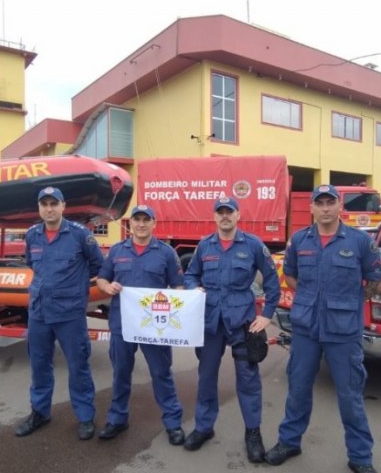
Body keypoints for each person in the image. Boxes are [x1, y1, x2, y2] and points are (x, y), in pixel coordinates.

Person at [264, 185, 381, 473]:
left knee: (350, 395)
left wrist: (352, 301)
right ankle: (290, 441)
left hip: (343, 331)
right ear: (313, 208)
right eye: (321, 203)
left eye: (331, 203)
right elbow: (290, 275)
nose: (326, 208)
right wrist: (308, 297)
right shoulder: (299, 240)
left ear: (339, 207)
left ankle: (360, 457)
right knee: (298, 389)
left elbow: (375, 280)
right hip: (306, 329)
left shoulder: (359, 242)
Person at [183, 196, 280, 463]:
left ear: (238, 215)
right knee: (206, 376)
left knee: (248, 380)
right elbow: (190, 274)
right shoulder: (205, 246)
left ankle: (252, 433)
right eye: (220, 212)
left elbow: (272, 282)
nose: (225, 216)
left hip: (242, 322)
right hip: (211, 322)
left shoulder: (253, 245)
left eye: (230, 212)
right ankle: (203, 427)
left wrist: (267, 316)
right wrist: (193, 287)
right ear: (214, 216)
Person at [14, 186, 104, 440]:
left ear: (64, 207)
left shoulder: (79, 235)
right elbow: (32, 264)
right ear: (39, 208)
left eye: (54, 203)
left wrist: (75, 288)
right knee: (39, 366)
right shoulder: (32, 235)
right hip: (39, 312)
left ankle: (85, 417)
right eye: (45, 204)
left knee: (78, 366)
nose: (49, 208)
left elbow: (98, 264)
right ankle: (40, 413)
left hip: (70, 314)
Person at [95, 205, 186, 445]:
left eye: (147, 219)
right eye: (137, 219)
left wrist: (186, 298)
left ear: (154, 223)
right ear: (130, 223)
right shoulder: (116, 251)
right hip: (122, 324)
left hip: (154, 326)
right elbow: (102, 278)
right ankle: (117, 419)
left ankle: (173, 422)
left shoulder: (166, 253)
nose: (141, 224)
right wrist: (107, 287)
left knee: (161, 373)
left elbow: (178, 286)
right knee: (121, 373)